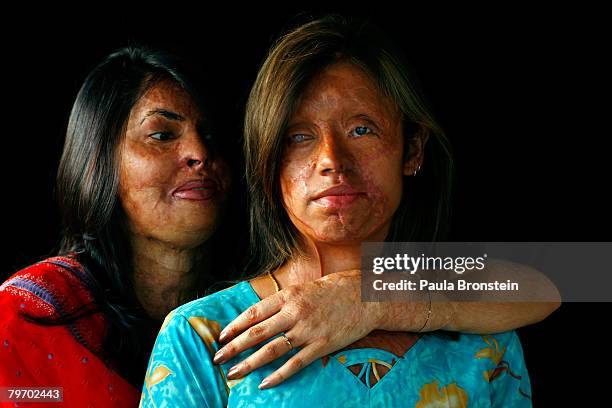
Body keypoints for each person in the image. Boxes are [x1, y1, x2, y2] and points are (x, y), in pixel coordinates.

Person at [140, 16, 540, 407]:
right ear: (269, 162)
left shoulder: (484, 335)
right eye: (299, 137)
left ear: (413, 149)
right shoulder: (204, 335)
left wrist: (367, 294)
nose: (331, 159)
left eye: (361, 129)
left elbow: (581, 273)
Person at [0, 46, 237, 406]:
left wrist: (353, 297)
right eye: (162, 134)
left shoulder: (261, 295)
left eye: (210, 134)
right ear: (98, 159)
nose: (200, 152)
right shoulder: (28, 315)